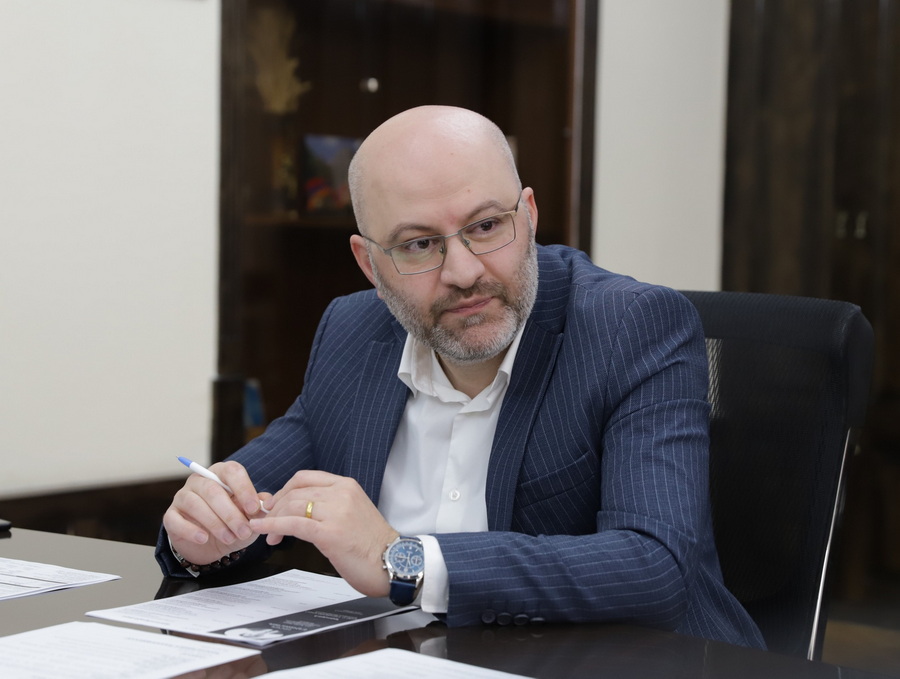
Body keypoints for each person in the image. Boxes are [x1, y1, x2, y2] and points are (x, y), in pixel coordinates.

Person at [157, 105, 764, 649]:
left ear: (528, 216)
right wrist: (202, 536)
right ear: (370, 264)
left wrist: (400, 560)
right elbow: (247, 497)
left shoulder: (632, 326)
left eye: (486, 226)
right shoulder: (353, 333)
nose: (464, 272)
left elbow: (652, 567)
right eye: (419, 244)